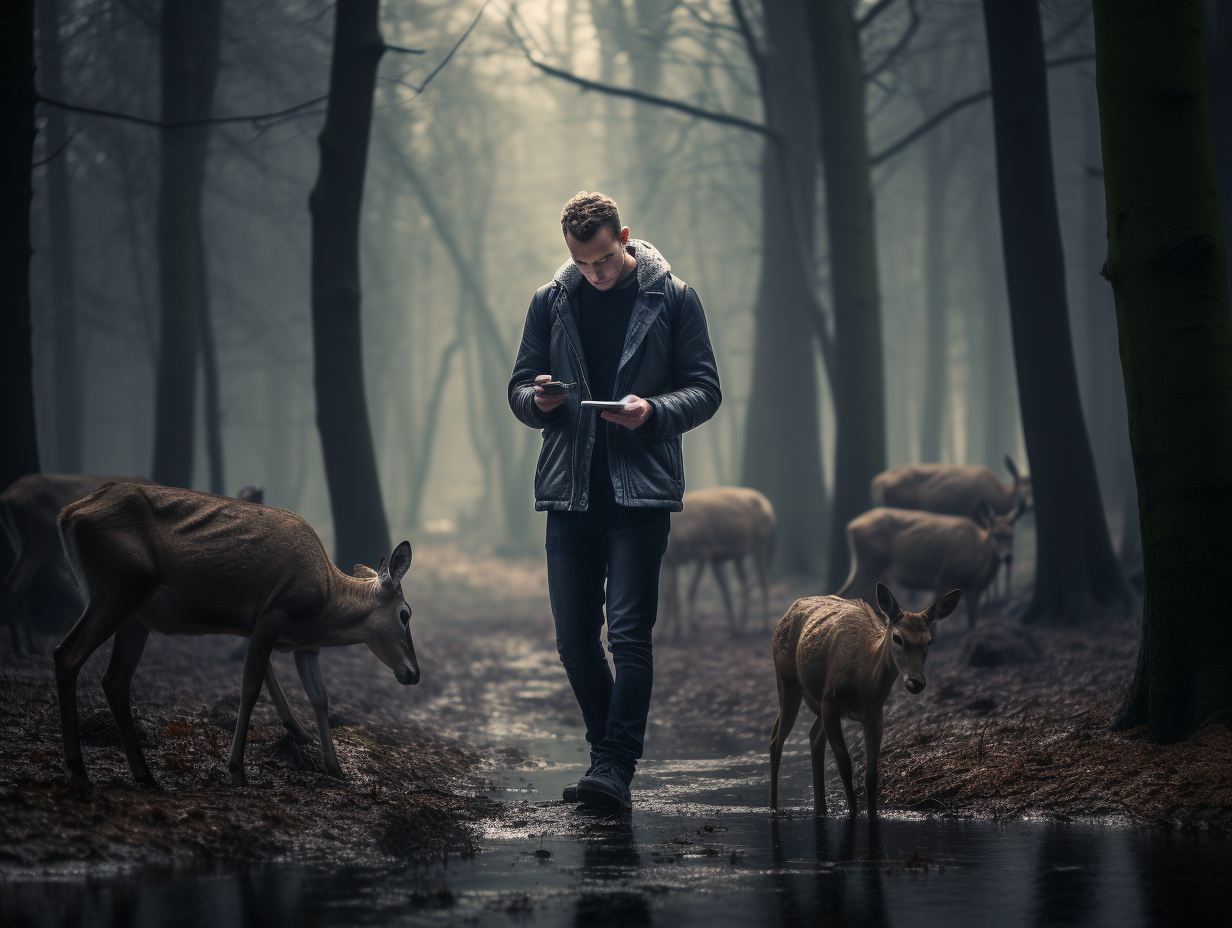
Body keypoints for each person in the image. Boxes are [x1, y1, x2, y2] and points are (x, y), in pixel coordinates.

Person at [508, 192, 722, 814]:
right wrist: (537, 400)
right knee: (574, 642)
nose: (596, 275)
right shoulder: (550, 302)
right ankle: (608, 757)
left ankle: (615, 768)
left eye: (604, 259)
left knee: (629, 637)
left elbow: (705, 390)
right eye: (583, 264)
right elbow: (519, 387)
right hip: (569, 494)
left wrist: (653, 412)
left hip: (641, 494)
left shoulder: (674, 298)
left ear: (622, 236)